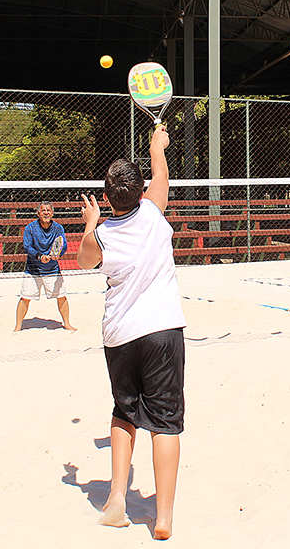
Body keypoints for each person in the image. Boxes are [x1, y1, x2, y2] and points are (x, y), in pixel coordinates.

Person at [77, 124, 186, 540]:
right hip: (161, 330)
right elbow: (162, 177)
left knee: (124, 413)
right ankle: (163, 518)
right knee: (166, 422)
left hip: (119, 334)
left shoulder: (101, 236)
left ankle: (116, 499)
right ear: (141, 192)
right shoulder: (155, 214)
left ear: (106, 198)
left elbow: (85, 259)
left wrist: (91, 222)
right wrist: (158, 144)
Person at [13, 201, 75, 332]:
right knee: (25, 297)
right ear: (38, 213)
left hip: (52, 269)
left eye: (48, 210)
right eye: (43, 210)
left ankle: (67, 323)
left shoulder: (58, 228)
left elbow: (62, 245)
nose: (46, 213)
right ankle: (18, 325)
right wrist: (40, 256)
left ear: (52, 213)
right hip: (33, 269)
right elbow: (27, 247)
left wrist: (58, 254)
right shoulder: (30, 228)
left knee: (62, 296)